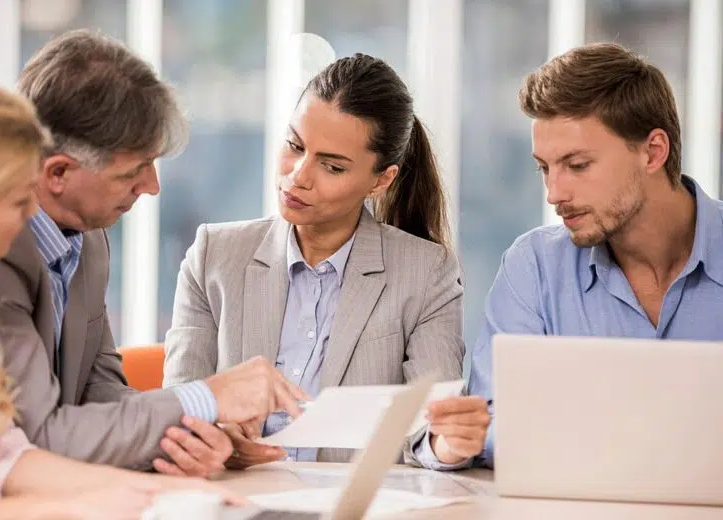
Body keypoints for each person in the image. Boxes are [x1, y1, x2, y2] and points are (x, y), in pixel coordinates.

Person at [0, 29, 308, 479]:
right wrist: (206, 396)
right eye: (133, 172)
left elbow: (99, 387)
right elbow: (38, 433)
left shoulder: (87, 237)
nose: (152, 187)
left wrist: (188, 436)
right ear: (59, 174)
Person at [0, 74, 246, 519]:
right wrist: (72, 508)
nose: (33, 215)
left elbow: (0, 458)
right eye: (19, 202)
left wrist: (154, 494)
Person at [162, 53, 489, 469]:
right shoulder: (214, 256)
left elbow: (430, 432)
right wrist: (215, 439)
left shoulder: (426, 274)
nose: (299, 175)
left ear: (381, 180)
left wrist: (451, 444)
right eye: (295, 145)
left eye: (332, 166)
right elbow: (179, 410)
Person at [465, 42, 723, 468]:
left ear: (653, 151)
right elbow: (492, 422)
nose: (555, 194)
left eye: (578, 165)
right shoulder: (534, 268)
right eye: (545, 168)